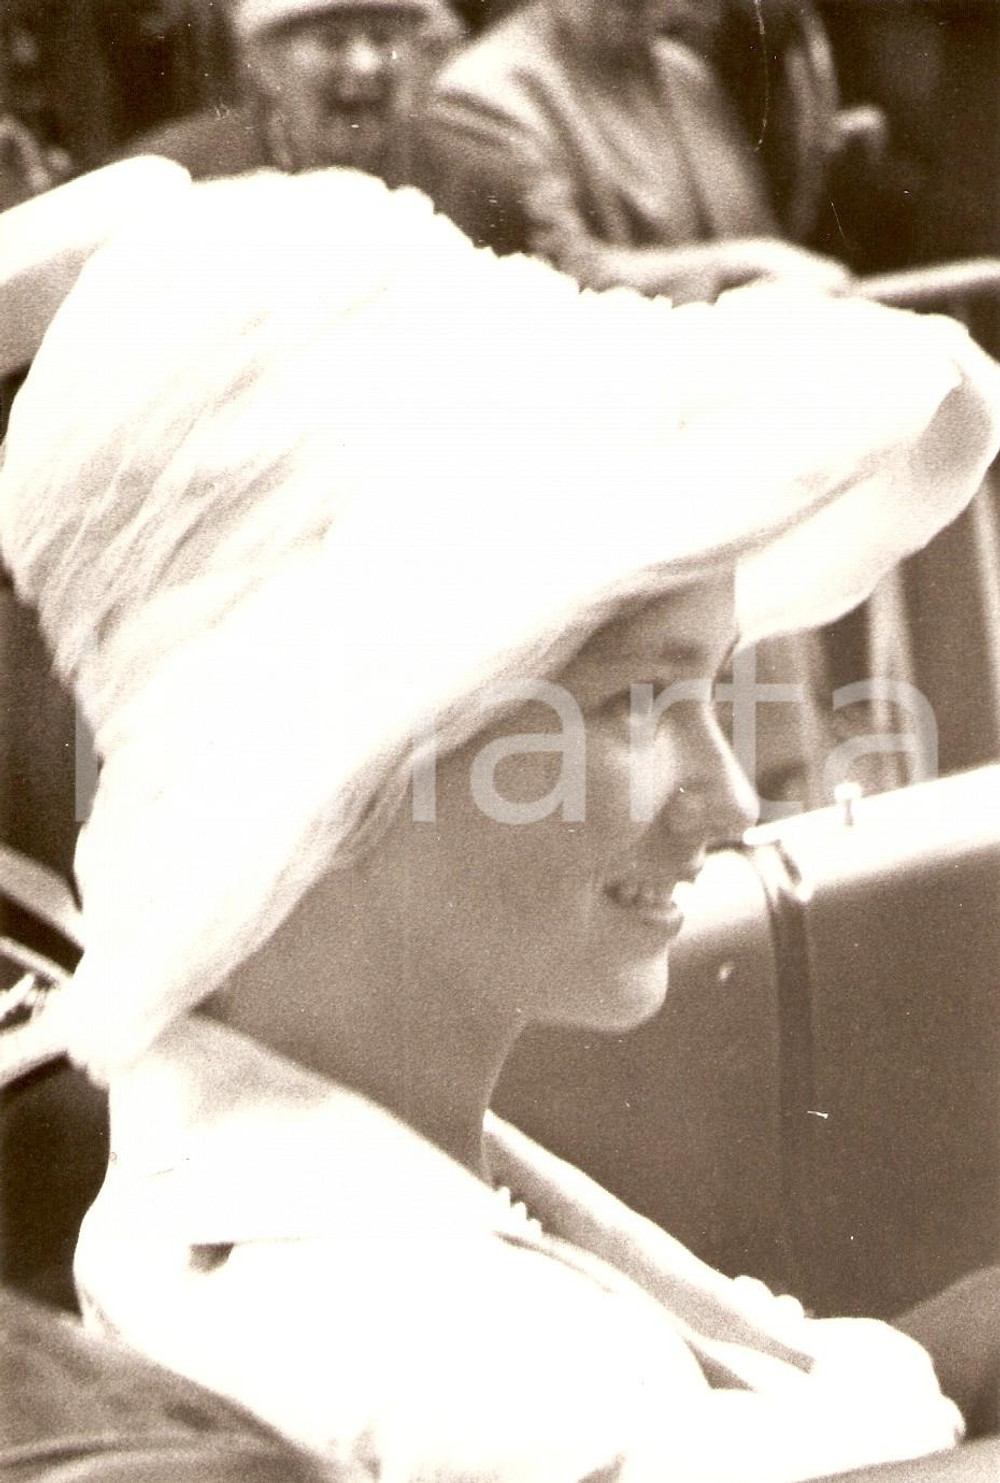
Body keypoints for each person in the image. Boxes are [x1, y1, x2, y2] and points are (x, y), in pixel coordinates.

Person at [1, 160, 1000, 1483]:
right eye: (640, 699)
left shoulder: (269, 1168)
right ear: (342, 765)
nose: (734, 793)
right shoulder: (464, 1375)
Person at [414, 0, 851, 298]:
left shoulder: (684, 76)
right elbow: (557, 281)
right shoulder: (481, 95)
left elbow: (774, 254)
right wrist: (748, 263)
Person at [124, 0, 462, 182]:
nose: (364, 64)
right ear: (267, 63)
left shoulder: (481, 184)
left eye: (382, 38)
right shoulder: (175, 175)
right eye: (333, 41)